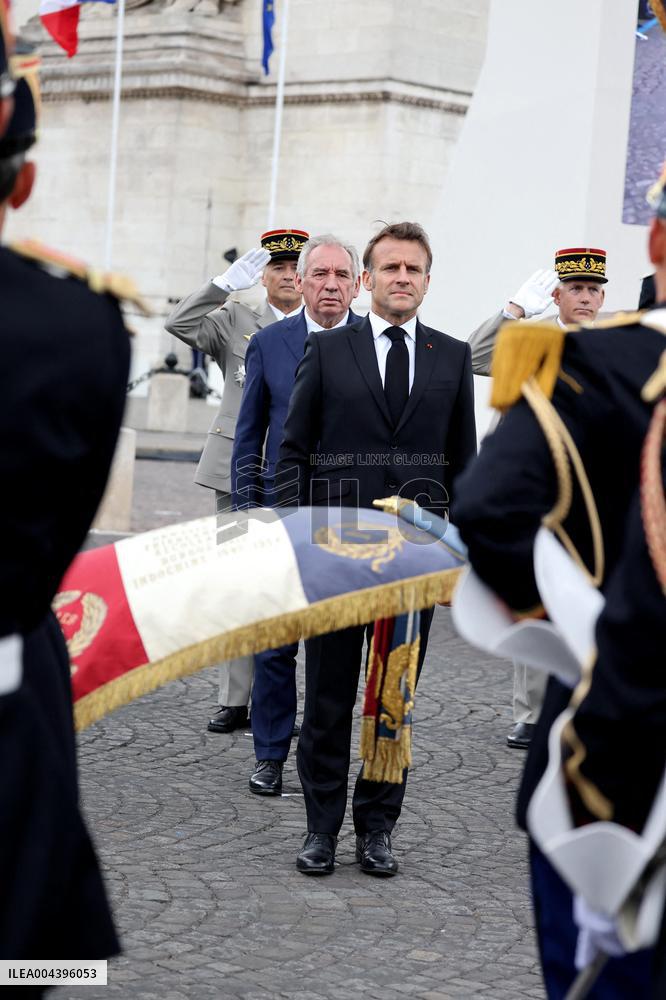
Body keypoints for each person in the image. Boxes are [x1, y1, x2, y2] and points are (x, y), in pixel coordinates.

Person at [452, 186, 666, 995]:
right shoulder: (569, 347)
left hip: (607, 762)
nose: (582, 296)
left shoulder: (596, 363)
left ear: (652, 242)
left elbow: (489, 510)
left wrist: (581, 630)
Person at [275, 221, 476, 876]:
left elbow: (462, 466)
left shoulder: (451, 358)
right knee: (329, 698)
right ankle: (320, 828)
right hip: (336, 557)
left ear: (426, 280)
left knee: (394, 700)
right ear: (367, 280)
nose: (401, 278)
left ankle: (377, 829)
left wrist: (454, 544)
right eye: (389, 267)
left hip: (412, 568)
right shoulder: (331, 352)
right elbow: (293, 453)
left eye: (412, 269)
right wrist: (297, 543)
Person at [0, 52, 140, 966]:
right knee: (27, 953)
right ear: (25, 180)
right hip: (7, 703)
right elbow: (55, 534)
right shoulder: (82, 327)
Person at [231, 234, 362, 796]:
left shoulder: (372, 343)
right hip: (281, 516)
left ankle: (323, 754)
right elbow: (249, 435)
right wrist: (244, 516)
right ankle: (269, 753)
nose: (330, 285)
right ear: (301, 282)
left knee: (334, 651)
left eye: (341, 275)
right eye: (319, 275)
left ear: (357, 284)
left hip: (349, 517)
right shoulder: (269, 343)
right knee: (276, 644)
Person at [165, 228, 308, 735]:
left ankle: (285, 697)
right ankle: (234, 698)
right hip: (238, 470)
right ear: (264, 276)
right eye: (278, 269)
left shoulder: (327, 328)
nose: (288, 276)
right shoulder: (236, 320)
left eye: (296, 268)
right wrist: (221, 285)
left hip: (302, 475)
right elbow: (179, 323)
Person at [468, 249, 608, 751]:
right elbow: (477, 357)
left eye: (593, 289)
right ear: (557, 295)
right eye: (576, 288)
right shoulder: (532, 337)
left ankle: (584, 707)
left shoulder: (616, 342)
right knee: (537, 602)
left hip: (594, 498)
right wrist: (513, 312)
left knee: (591, 603)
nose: (586, 297)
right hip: (539, 494)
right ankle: (529, 713)